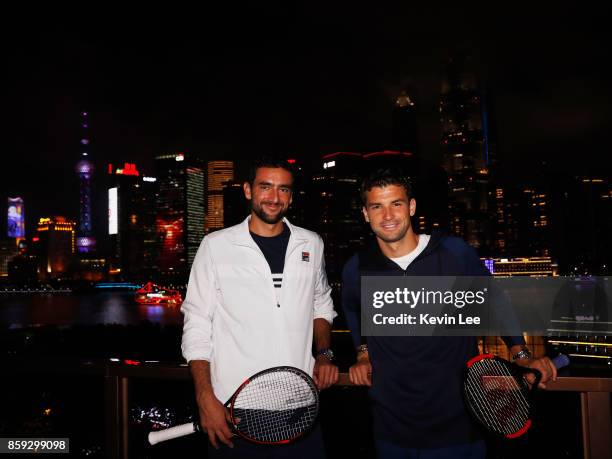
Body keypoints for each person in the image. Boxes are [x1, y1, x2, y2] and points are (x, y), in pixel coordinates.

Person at [342, 168, 557, 458]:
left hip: (458, 426)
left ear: (412, 207)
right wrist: (363, 351)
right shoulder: (357, 267)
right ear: (366, 214)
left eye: (396, 203)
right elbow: (352, 310)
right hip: (391, 428)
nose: (388, 215)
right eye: (377, 206)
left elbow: (495, 301)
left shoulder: (453, 253)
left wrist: (521, 353)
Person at [181, 158, 338, 458]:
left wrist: (325, 353)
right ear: (248, 190)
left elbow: (321, 302)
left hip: (301, 404)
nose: (274, 197)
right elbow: (197, 324)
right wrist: (205, 398)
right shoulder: (216, 246)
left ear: (290, 196)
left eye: (283, 189)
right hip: (234, 409)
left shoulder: (311, 243)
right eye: (265, 187)